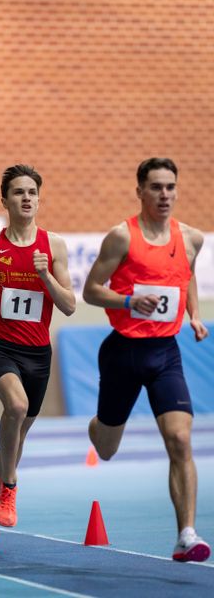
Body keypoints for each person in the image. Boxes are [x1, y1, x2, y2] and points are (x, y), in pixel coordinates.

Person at [82, 157, 211, 562]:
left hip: (165, 354)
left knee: (180, 439)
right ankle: (99, 425)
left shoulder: (190, 237)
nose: (165, 194)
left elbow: (185, 276)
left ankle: (186, 535)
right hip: (122, 352)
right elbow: (89, 290)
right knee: (106, 448)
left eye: (170, 186)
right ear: (140, 191)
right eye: (156, 187)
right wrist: (127, 300)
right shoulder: (121, 237)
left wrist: (193, 313)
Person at [0, 164, 76, 550]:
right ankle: (9, 489)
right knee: (16, 408)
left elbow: (69, 305)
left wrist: (46, 277)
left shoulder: (53, 246)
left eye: (32, 192)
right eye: (18, 192)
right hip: (0, 350)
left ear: (39, 199)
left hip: (38, 355)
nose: (26, 198)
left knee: (15, 440)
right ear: (4, 200)